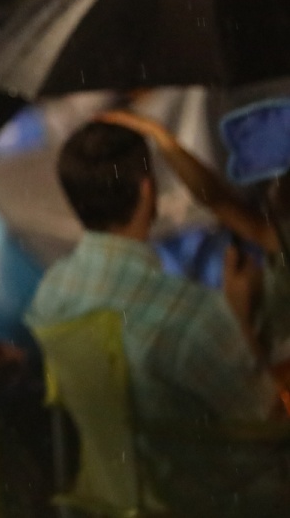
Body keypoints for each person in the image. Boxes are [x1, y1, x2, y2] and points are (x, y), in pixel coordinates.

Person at [26, 118, 290, 517]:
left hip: (118, 503)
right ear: (147, 190)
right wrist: (237, 318)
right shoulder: (191, 316)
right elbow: (271, 419)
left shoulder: (51, 294)